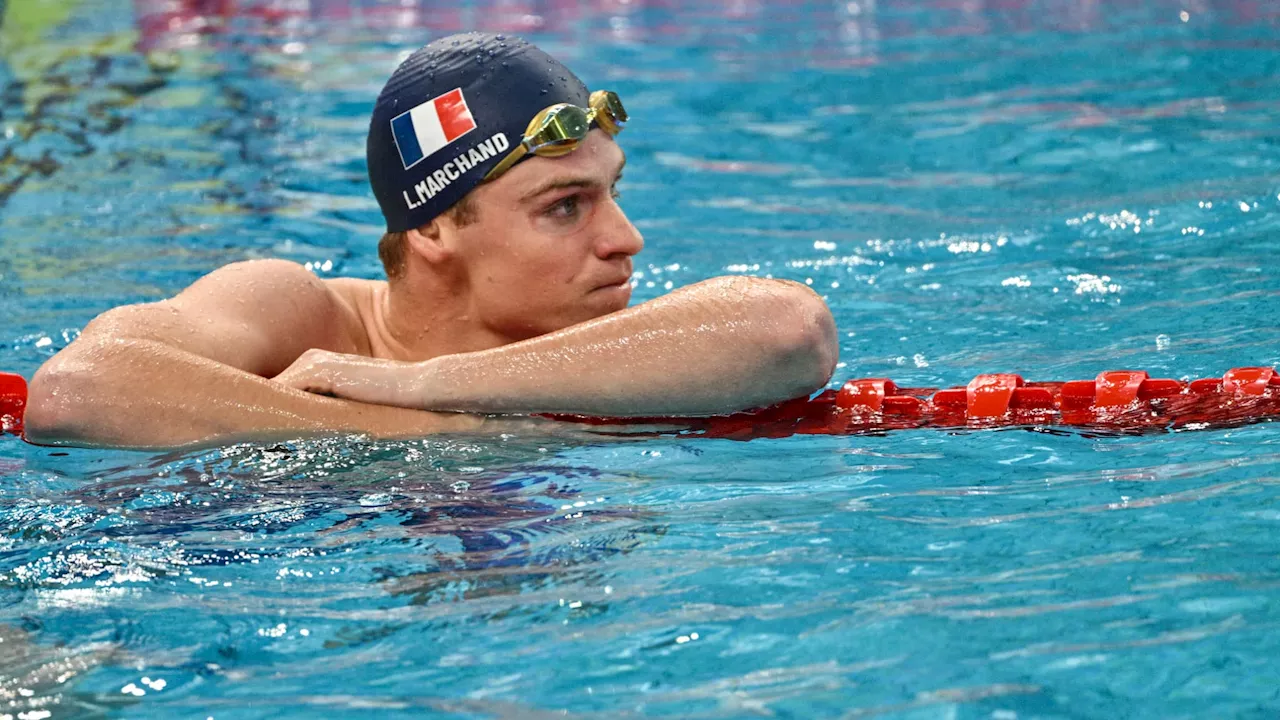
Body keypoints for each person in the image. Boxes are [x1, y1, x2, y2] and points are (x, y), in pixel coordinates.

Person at [24, 32, 838, 449]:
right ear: (436, 226)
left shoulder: (595, 343)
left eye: (612, 193)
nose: (625, 240)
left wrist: (433, 385)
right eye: (565, 206)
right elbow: (80, 390)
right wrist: (426, 435)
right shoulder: (302, 312)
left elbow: (791, 330)